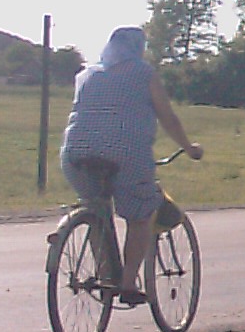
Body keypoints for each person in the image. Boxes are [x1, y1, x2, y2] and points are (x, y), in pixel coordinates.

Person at [60, 27, 203, 303]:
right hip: (126, 153)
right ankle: (126, 284)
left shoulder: (86, 74)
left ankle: (105, 274)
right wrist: (189, 148)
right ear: (138, 48)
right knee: (141, 215)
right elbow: (167, 117)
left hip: (75, 153)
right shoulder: (143, 72)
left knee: (95, 209)